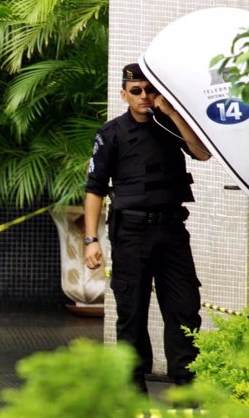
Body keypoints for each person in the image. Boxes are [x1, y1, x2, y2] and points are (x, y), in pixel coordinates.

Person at [83, 63, 212, 392]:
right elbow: (95, 188)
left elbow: (202, 152)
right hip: (131, 234)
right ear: (123, 94)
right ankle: (132, 392)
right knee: (132, 313)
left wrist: (173, 113)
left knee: (184, 310)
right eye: (136, 91)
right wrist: (90, 240)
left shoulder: (170, 127)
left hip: (171, 232)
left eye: (149, 90)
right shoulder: (111, 134)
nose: (143, 96)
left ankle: (187, 388)